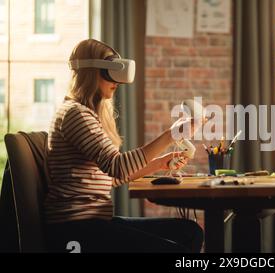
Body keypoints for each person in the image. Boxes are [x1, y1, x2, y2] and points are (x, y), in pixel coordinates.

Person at [44, 39, 203, 253]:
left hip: (94, 222)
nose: (117, 82)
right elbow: (118, 166)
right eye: (109, 72)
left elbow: (111, 176)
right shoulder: (76, 114)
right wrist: (171, 135)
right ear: (91, 72)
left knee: (190, 232)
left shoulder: (85, 114)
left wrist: (158, 164)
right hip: (76, 228)